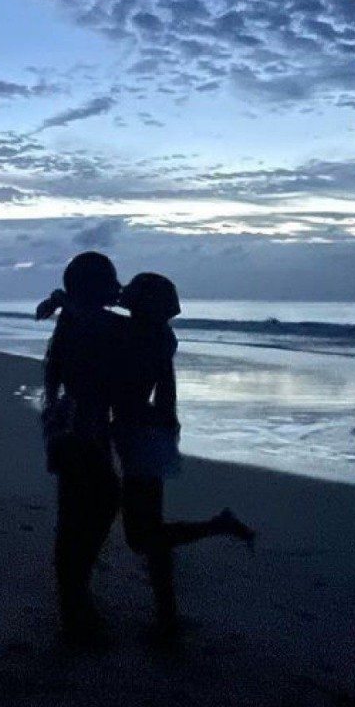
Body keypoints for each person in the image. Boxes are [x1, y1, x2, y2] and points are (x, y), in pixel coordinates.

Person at [114, 271, 255, 638]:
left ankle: (219, 526)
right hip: (148, 432)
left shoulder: (136, 336)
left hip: (140, 433)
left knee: (143, 536)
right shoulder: (160, 337)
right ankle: (167, 614)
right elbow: (164, 388)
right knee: (150, 531)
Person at [38, 251, 128, 645]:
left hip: (72, 425)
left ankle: (74, 599)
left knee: (78, 513)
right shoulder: (92, 322)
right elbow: (128, 325)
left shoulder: (75, 318)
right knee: (94, 508)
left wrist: (62, 300)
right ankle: (74, 604)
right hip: (82, 428)